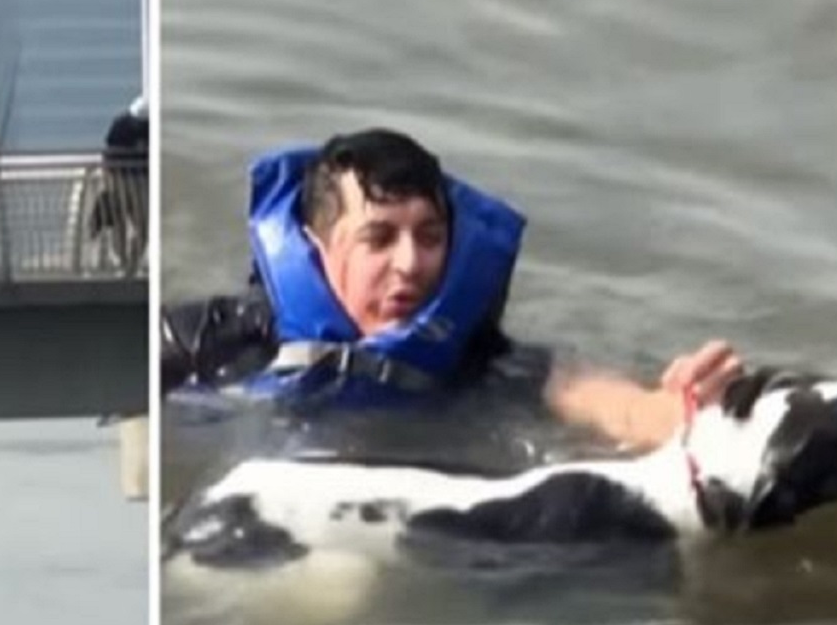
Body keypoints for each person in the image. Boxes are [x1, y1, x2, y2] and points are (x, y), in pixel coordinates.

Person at [161, 128, 742, 461]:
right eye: (380, 239)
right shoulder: (212, 342)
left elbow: (606, 401)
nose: (411, 264)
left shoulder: (479, 361)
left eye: (431, 237)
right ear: (316, 248)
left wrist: (672, 408)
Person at [89, 95, 149, 273]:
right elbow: (109, 154)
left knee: (138, 224)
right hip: (125, 178)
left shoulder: (122, 124)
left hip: (129, 178)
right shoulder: (123, 126)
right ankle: (125, 264)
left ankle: (127, 264)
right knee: (124, 222)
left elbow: (108, 154)